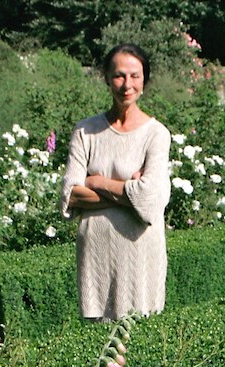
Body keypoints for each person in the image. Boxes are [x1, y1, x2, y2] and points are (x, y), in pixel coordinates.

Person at [59, 43, 172, 321]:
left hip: (140, 255)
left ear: (144, 80)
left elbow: (150, 201)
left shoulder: (156, 134)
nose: (127, 84)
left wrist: (97, 181)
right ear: (107, 78)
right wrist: (129, 192)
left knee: (137, 340)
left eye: (135, 76)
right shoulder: (86, 131)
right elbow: (70, 195)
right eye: (119, 75)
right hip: (96, 256)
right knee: (99, 350)